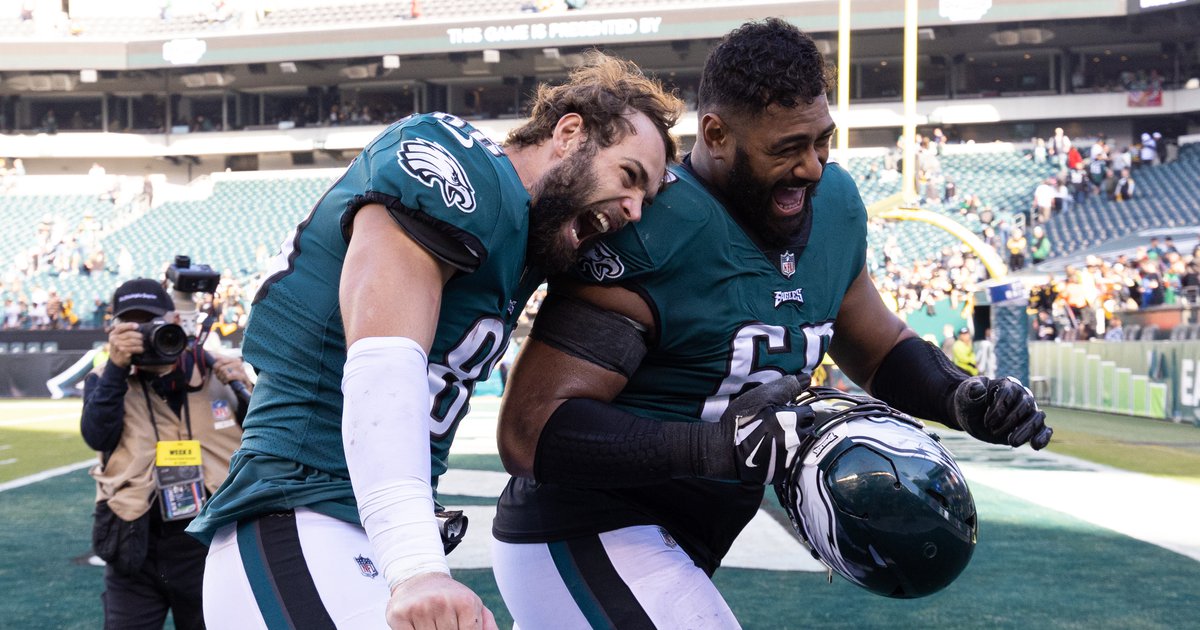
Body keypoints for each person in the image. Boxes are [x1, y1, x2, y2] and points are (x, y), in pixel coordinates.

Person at [491, 19, 1052, 628]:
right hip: (582, 530)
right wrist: (713, 447)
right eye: (786, 148)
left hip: (681, 544)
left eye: (821, 142)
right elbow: (531, 429)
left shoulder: (833, 206)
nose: (812, 167)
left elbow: (880, 345)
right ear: (717, 133)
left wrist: (959, 397)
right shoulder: (655, 221)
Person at [185, 54, 683, 629]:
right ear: (568, 133)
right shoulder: (461, 162)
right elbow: (383, 363)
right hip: (299, 514)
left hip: (355, 535)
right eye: (628, 176)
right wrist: (416, 565)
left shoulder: (523, 245)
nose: (634, 209)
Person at [82, 278, 251, 630]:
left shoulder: (216, 370)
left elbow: (263, 437)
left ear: (175, 320)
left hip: (210, 541)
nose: (144, 333)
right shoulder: (105, 377)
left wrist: (248, 389)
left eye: (152, 322)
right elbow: (97, 435)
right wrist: (116, 367)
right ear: (114, 328)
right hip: (135, 542)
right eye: (132, 324)